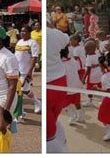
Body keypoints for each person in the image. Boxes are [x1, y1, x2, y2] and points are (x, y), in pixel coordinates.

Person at [46, 18, 70, 153]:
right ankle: (64, 148)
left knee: (48, 137)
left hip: (49, 86)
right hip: (60, 82)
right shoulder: (56, 34)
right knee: (54, 121)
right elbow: (66, 39)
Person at [14, 26, 42, 116]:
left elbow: (34, 58)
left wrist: (30, 71)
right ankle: (37, 103)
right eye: (21, 31)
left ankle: (20, 112)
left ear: (29, 32)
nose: (22, 33)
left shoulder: (33, 43)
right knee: (24, 90)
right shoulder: (19, 42)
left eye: (25, 31)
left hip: (26, 71)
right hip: (17, 70)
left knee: (20, 91)